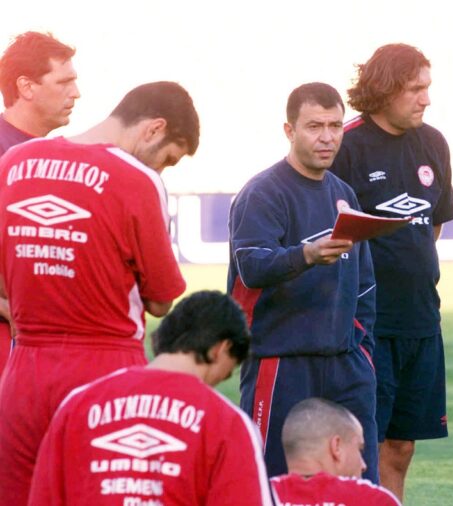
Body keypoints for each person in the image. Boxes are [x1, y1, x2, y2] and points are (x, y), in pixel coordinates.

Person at [0, 80, 199, 506]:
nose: (161, 171)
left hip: (23, 370)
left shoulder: (15, 162)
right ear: (154, 129)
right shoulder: (137, 180)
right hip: (105, 368)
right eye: (167, 159)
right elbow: (161, 300)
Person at [228, 82, 378, 482]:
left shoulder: (343, 194)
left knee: (359, 482)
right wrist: (306, 255)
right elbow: (251, 267)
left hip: (346, 363)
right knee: (274, 482)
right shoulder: (263, 193)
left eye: (335, 126)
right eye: (314, 126)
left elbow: (365, 284)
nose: (327, 137)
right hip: (281, 361)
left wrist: (361, 349)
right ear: (289, 130)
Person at [329, 43, 453, 501]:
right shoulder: (347, 146)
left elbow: (433, 224)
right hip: (367, 324)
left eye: (427, 87)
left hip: (422, 319)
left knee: (402, 447)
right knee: (361, 444)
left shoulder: (433, 143)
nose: (426, 99)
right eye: (415, 89)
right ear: (385, 90)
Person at [27, 290, 275, 505]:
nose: (219, 381)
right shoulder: (227, 423)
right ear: (221, 349)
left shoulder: (78, 405)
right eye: (227, 371)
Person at [0, 31, 80, 375]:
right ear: (26, 87)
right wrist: (8, 306)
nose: (76, 93)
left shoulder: (57, 154)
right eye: (64, 82)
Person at [271, 398, 401, 506]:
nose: (363, 465)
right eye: (359, 449)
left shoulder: (263, 495)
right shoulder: (375, 500)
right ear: (336, 446)